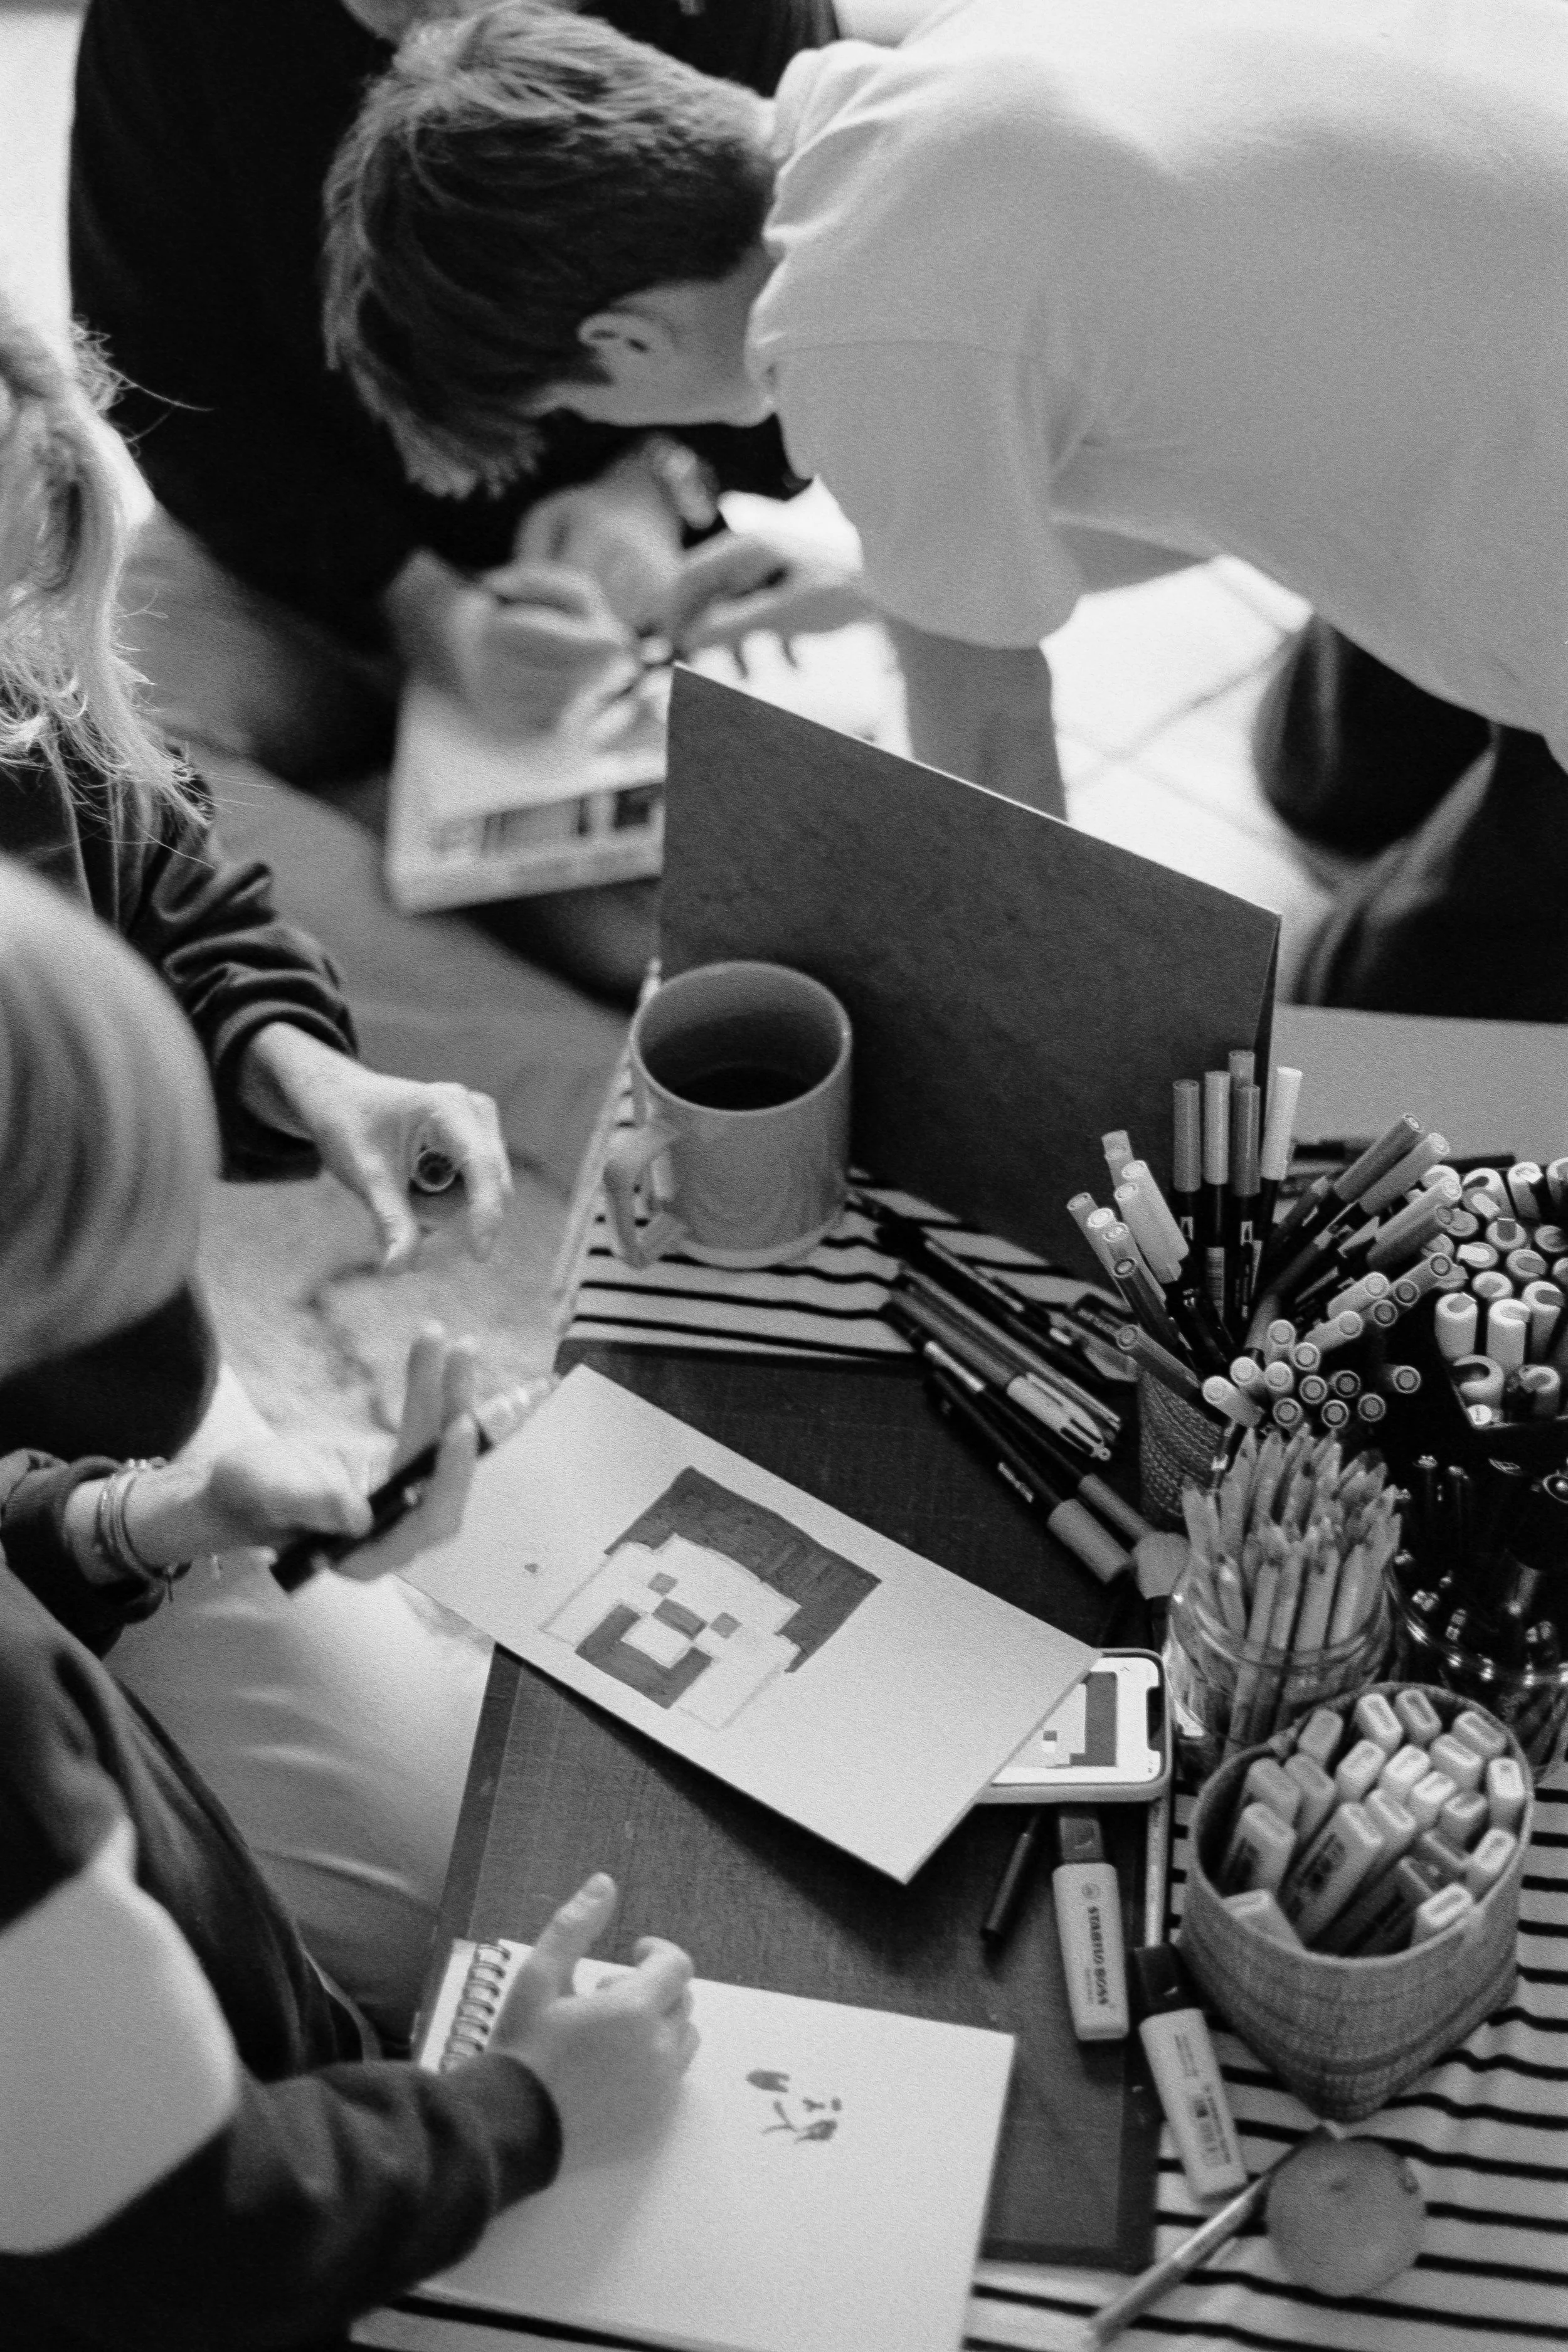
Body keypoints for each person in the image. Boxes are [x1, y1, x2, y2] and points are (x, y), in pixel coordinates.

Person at [322, 0, 1568, 1020]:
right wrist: (891, 584)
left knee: (1343, 1046)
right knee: (1316, 782)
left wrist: (1032, 1037)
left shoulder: (849, 319)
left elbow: (990, 755)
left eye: (581, 405)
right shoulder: (922, 80)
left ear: (624, 337)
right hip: (1513, 370)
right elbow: (1170, 459)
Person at [0, 856, 697, 2352]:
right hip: (217, 2232)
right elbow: (196, 2238)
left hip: (173, 2063)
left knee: (458, 1865)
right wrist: (521, 2114)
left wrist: (151, 1518)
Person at [0, 286, 514, 2028]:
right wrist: (148, 1522)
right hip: (56, 1531)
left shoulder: (22, 699)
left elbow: (162, 856)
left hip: (110, 1450)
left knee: (487, 1846)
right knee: (329, 1981)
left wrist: (311, 1081)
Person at [67, 0, 898, 1012]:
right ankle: (574, 1078)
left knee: (747, 911)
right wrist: (421, 609)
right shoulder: (169, 31)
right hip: (274, 556)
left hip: (620, 577)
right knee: (93, 783)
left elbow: (805, 310)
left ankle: (381, 860)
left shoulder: (735, 30)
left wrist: (656, 487)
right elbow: (152, 371)